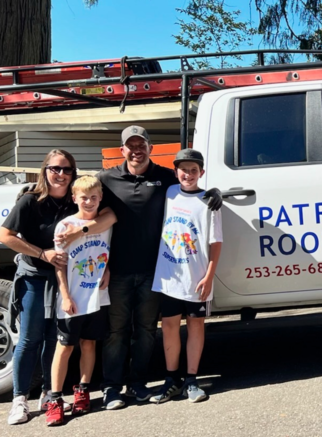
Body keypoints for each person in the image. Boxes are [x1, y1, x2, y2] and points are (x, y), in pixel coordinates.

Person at [52, 126, 222, 409]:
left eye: (141, 144)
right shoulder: (105, 179)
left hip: (155, 272)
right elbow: (84, 200)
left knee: (145, 330)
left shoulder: (166, 178)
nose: (136, 150)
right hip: (115, 270)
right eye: (130, 145)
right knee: (116, 331)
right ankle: (112, 388)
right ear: (122, 150)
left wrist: (215, 192)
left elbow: (191, 188)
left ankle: (138, 383)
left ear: (150, 148)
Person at [1, 150, 114, 425]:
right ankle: (19, 399)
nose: (61, 175)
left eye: (66, 170)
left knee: (56, 338)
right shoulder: (30, 201)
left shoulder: (75, 200)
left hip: (70, 278)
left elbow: (108, 216)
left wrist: (86, 239)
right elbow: (6, 236)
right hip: (37, 275)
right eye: (55, 169)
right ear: (45, 170)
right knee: (30, 338)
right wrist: (42, 254)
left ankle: (47, 393)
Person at [149, 149, 222, 404]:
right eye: (183, 170)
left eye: (194, 170)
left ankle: (192, 379)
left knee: (195, 325)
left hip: (197, 277)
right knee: (169, 326)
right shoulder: (169, 192)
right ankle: (172, 380)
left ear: (201, 172)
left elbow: (216, 243)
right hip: (170, 277)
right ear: (175, 171)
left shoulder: (209, 202)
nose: (188, 174)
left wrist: (210, 276)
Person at [46, 176, 112, 426]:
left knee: (89, 344)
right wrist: (64, 295)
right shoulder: (65, 225)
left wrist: (107, 269)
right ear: (74, 198)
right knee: (64, 348)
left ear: (101, 198)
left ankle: (83, 390)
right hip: (72, 297)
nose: (89, 201)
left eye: (94, 197)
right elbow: (59, 266)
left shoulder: (105, 223)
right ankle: (54, 398)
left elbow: (107, 250)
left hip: (97, 295)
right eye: (84, 197)